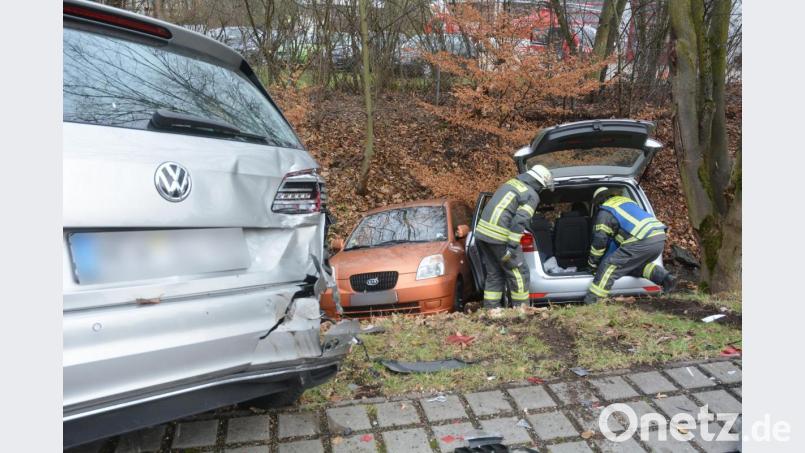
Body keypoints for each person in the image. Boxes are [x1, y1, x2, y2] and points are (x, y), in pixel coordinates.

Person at [475, 165, 554, 308]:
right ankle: (521, 310)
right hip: (499, 237)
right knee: (519, 272)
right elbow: (520, 221)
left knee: (494, 273)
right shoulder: (531, 195)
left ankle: (492, 310)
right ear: (539, 183)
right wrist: (512, 246)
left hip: (482, 234)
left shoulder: (511, 183)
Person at [584, 187, 676, 304]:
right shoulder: (626, 202)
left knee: (609, 267)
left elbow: (599, 241)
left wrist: (593, 264)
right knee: (632, 265)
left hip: (642, 239)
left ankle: (593, 300)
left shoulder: (606, 212)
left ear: (598, 202)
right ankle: (666, 279)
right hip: (658, 237)